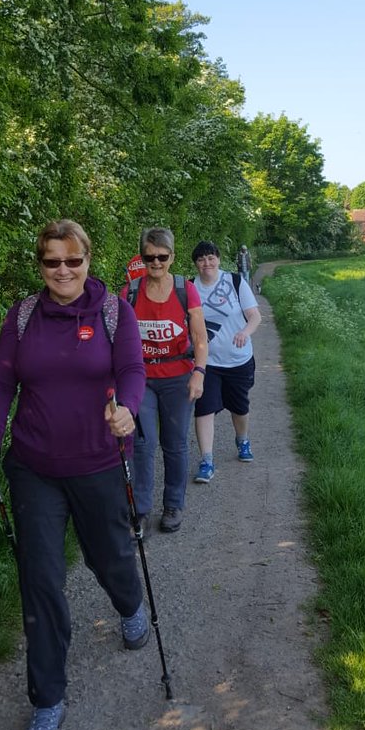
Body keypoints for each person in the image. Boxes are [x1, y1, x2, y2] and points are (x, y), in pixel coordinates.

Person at [0, 219, 147, 730]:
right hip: (35, 466)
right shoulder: (23, 317)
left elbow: (133, 369)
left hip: (98, 460)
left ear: (89, 261)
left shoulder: (115, 313)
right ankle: (48, 698)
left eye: (73, 260)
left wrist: (129, 413)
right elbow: (2, 379)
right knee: (40, 578)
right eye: (52, 262)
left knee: (109, 555)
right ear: (40, 265)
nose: (63, 271)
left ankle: (130, 600)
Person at [122, 226, 208, 535]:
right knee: (142, 445)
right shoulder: (130, 291)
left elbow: (199, 336)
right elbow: (119, 338)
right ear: (142, 258)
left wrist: (199, 372)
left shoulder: (185, 289)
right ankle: (140, 510)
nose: (155, 263)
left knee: (174, 444)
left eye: (162, 257)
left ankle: (173, 505)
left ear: (171, 257)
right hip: (142, 378)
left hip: (178, 377)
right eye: (149, 257)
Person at [191, 241, 261, 484]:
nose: (206, 263)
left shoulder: (235, 282)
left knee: (239, 407)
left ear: (218, 259)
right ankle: (207, 460)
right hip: (206, 362)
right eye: (201, 260)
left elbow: (254, 316)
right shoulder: (190, 288)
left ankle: (242, 440)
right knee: (204, 408)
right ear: (196, 264)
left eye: (210, 258)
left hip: (238, 360)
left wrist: (245, 332)